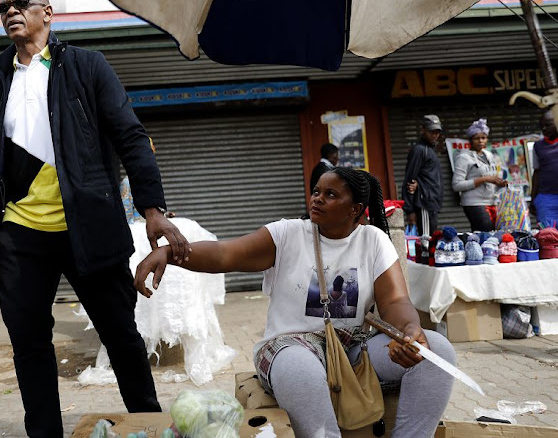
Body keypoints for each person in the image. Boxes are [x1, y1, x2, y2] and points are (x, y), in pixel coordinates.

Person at [0, 0, 191, 437]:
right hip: (19, 235)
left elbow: (131, 136)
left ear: (47, 13)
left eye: (20, 3)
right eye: (2, 6)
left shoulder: (86, 67)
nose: (10, 11)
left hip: (87, 226)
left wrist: (152, 208)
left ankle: (151, 423)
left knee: (121, 336)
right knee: (29, 345)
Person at [136, 167, 456, 438]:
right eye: (316, 191)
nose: (317, 198)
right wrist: (169, 253)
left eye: (331, 195)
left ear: (356, 209)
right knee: (302, 371)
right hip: (290, 347)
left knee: (437, 350)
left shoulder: (373, 240)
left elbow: (396, 300)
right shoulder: (288, 234)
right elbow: (225, 253)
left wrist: (411, 330)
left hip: (353, 350)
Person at [451, 118, 507, 231]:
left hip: (493, 202)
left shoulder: (489, 155)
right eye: (477, 138)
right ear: (470, 141)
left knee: (494, 235)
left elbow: (493, 176)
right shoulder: (463, 157)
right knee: (485, 234)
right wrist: (484, 179)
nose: (481, 141)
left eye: (483, 138)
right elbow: (456, 185)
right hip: (474, 203)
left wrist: (499, 182)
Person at [403, 115, 444, 236]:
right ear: (423, 130)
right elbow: (409, 179)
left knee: (430, 241)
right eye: (432, 131)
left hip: (431, 205)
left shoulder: (430, 150)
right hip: (424, 205)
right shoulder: (420, 150)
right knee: (426, 242)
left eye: (437, 132)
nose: (435, 135)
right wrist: (409, 210)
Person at [531, 109, 558, 228]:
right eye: (542, 126)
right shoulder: (538, 146)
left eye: (548, 125)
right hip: (546, 198)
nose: (544, 129)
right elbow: (536, 172)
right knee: (548, 236)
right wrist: (533, 198)